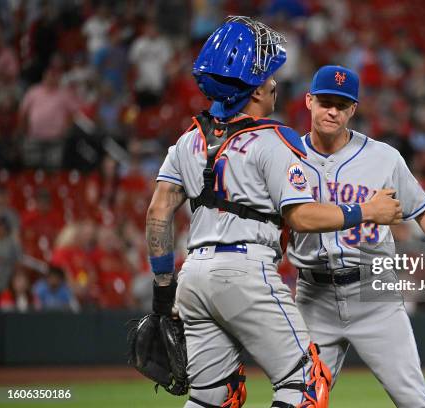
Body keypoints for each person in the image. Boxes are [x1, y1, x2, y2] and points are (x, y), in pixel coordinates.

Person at [146, 17, 402, 408]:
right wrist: (366, 210)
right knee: (306, 385)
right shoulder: (273, 140)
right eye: (268, 77)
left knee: (213, 397)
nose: (274, 83)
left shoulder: (187, 140)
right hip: (245, 272)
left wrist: (163, 294)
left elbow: (158, 213)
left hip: (193, 279)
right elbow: (302, 218)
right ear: (255, 90)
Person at [288, 65, 425, 407]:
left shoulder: (383, 158)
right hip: (313, 297)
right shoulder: (286, 155)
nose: (333, 111)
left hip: (374, 294)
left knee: (413, 401)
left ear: (353, 109)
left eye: (342, 105)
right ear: (309, 101)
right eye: (325, 102)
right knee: (300, 401)